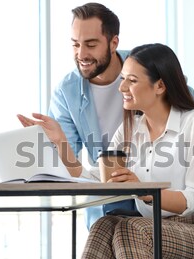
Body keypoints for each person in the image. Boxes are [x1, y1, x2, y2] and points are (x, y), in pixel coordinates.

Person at [17, 43, 194, 259]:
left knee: (130, 229)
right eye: (122, 79)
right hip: (153, 227)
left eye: (132, 80)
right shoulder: (131, 128)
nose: (122, 88)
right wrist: (60, 140)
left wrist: (145, 192)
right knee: (104, 226)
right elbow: (95, 176)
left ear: (160, 86)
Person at [46, 3, 132, 229]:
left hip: (156, 186)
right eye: (75, 44)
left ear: (113, 43)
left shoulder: (145, 67)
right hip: (104, 196)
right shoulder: (66, 91)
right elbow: (66, 164)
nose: (81, 54)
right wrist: (56, 143)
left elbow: (187, 111)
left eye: (91, 45)